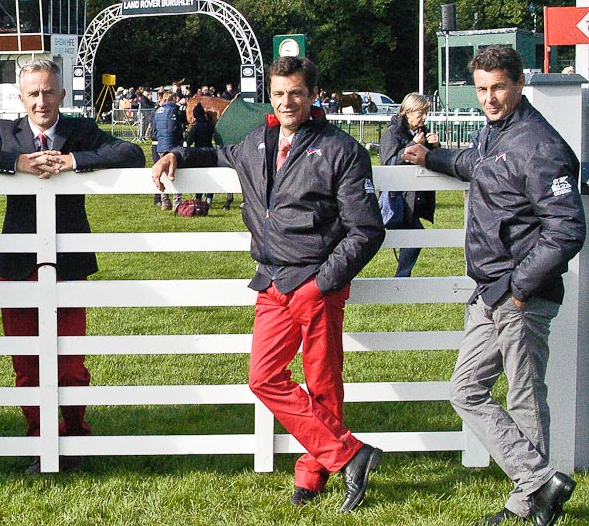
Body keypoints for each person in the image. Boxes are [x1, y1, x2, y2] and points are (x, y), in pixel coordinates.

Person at [152, 56, 385, 512]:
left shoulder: (342, 150)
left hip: (316, 283)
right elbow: (216, 155)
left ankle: (314, 474)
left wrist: (322, 282)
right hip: (272, 280)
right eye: (279, 93)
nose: (286, 101)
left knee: (323, 383)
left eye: (295, 93)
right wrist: (177, 153)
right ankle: (350, 455)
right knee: (263, 378)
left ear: (313, 95)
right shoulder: (258, 139)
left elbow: (367, 230)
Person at [402, 45, 585, 526]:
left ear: (519, 84)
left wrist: (520, 286)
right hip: (491, 289)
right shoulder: (496, 134)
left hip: (521, 293)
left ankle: (530, 502)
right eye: (482, 88)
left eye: (498, 86)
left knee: (524, 397)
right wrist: (432, 156)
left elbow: (567, 230)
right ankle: (539, 482)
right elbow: (477, 165)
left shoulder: (542, 146)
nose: (489, 97)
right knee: (465, 390)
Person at [0, 59, 143, 474]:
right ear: (20, 98)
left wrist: (74, 161)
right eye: (32, 93)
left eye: (48, 91)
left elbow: (131, 152)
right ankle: (41, 446)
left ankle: (73, 442)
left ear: (62, 95)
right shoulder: (6, 132)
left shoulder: (81, 131)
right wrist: (14, 163)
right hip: (17, 262)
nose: (41, 101)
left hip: (69, 262)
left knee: (70, 364)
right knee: (27, 365)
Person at [379, 93, 440, 277]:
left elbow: (431, 161)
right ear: (407, 112)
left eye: (425, 113)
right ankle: (401, 278)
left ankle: (402, 278)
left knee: (415, 235)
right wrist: (414, 145)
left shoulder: (422, 131)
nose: (424, 117)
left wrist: (436, 147)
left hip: (412, 198)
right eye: (420, 113)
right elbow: (389, 162)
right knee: (413, 235)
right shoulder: (392, 133)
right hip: (395, 198)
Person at [152, 91, 185, 210]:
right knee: (176, 173)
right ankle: (177, 202)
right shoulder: (175, 110)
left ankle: (164, 201)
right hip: (173, 146)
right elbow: (175, 129)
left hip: (160, 146)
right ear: (174, 98)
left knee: (161, 173)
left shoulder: (157, 111)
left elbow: (154, 132)